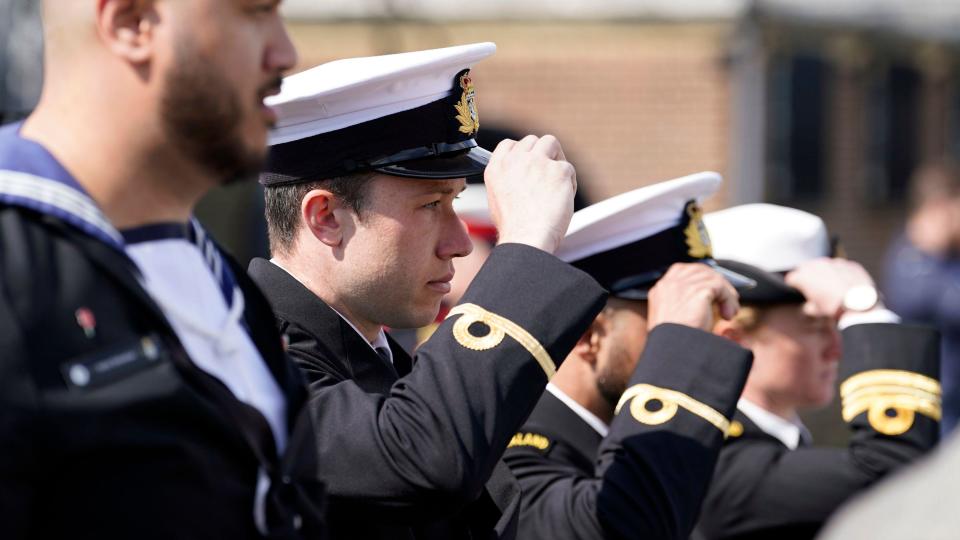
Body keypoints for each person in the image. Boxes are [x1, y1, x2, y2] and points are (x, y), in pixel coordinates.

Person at [248, 43, 607, 539]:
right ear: (326, 218)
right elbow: (421, 458)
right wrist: (524, 247)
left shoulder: (383, 364)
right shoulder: (246, 359)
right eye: (431, 205)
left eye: (455, 201)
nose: (460, 243)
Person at [0, 1, 325, 538]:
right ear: (131, 24)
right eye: (254, 14)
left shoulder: (221, 276)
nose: (284, 52)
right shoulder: (16, 266)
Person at [502, 172, 757, 540]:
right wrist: (679, 345)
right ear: (589, 335)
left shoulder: (621, 437)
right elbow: (620, 525)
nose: (704, 342)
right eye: (665, 327)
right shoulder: (514, 448)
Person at [691, 203, 941, 540]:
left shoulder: (774, 442)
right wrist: (864, 310)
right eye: (813, 327)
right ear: (734, 341)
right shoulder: (719, 464)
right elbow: (895, 472)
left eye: (835, 325)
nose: (837, 349)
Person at [883, 160, 960, 435]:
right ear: (940, 208)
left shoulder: (951, 257)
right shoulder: (909, 257)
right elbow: (945, 305)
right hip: (928, 405)